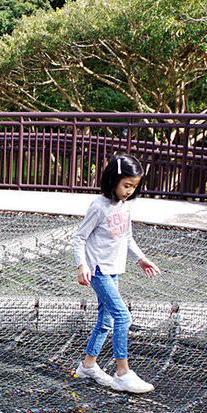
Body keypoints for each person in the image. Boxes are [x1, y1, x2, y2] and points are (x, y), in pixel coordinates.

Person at [72, 154, 161, 393]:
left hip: (114, 270)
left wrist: (141, 259)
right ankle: (123, 373)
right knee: (123, 317)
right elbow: (80, 237)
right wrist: (82, 265)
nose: (129, 191)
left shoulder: (126, 206)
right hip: (99, 270)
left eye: (134, 186)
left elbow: (127, 237)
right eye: (126, 185)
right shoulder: (99, 206)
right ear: (113, 179)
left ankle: (88, 365)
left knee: (107, 320)